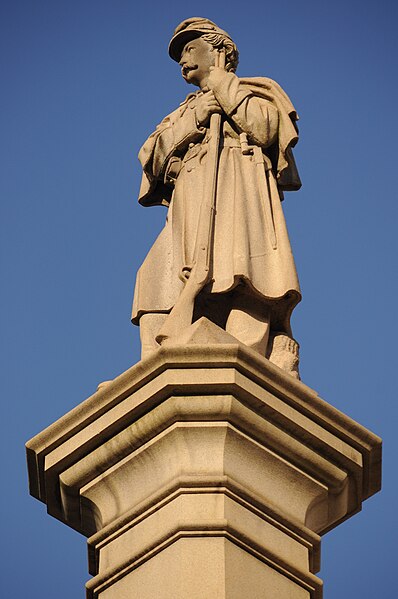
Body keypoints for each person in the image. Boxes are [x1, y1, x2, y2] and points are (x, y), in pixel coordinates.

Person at [132, 17, 302, 377]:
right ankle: (152, 361)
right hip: (189, 203)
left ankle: (248, 352)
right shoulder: (183, 109)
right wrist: (195, 116)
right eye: (180, 54)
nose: (183, 60)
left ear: (219, 51)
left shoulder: (256, 91)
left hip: (237, 195)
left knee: (245, 271)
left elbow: (263, 127)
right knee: (155, 277)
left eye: (191, 49)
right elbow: (151, 156)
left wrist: (222, 86)